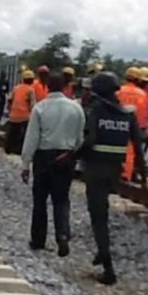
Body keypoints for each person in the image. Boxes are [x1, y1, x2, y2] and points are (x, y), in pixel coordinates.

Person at [82, 71, 144, 285]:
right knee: (102, 214)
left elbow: (90, 139)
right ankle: (102, 251)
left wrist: (72, 155)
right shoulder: (127, 115)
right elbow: (139, 147)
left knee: (99, 217)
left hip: (96, 170)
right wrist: (144, 181)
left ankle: (108, 269)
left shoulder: (97, 111)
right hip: (115, 172)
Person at [21, 73, 86, 256]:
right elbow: (80, 138)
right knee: (62, 199)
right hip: (66, 157)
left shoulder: (40, 108)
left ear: (47, 87)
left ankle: (38, 240)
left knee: (40, 200)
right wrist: (73, 156)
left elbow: (32, 138)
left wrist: (26, 165)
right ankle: (63, 236)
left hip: (44, 157)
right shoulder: (76, 108)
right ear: (65, 86)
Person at [116, 67, 148, 184]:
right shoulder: (142, 94)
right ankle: (127, 174)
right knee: (132, 151)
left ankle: (119, 173)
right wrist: (143, 127)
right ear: (138, 80)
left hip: (118, 125)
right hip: (135, 127)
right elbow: (143, 112)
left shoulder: (118, 92)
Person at [5, 70, 38, 154]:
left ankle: (8, 148)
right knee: (24, 134)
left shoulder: (16, 88)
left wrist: (10, 110)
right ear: (31, 80)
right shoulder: (30, 90)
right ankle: (19, 150)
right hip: (25, 116)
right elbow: (32, 105)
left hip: (13, 115)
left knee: (12, 133)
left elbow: (10, 100)